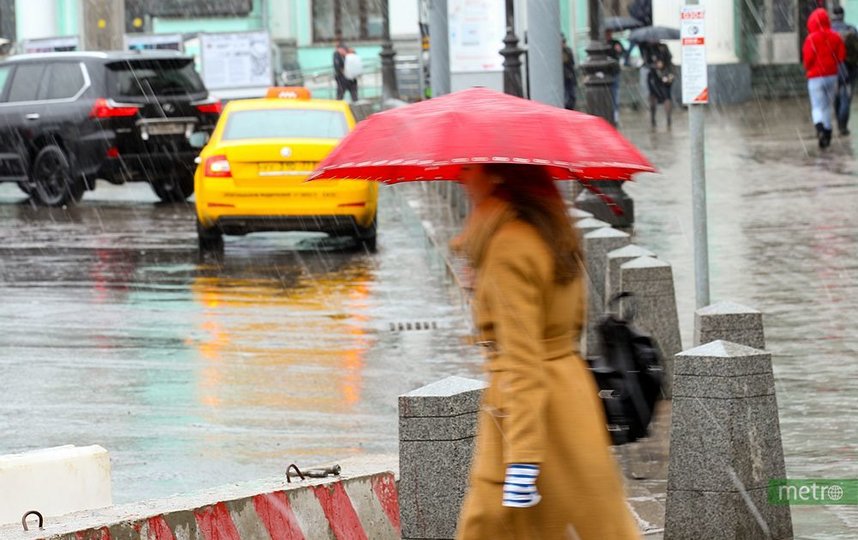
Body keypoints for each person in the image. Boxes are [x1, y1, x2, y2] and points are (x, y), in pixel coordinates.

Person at [452, 162, 639, 539]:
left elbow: (522, 360)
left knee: (491, 526)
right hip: (571, 403)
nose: (461, 176)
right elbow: (565, 320)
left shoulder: (507, 245)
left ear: (497, 175)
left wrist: (522, 460)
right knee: (600, 525)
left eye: (469, 168)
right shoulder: (551, 233)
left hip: (525, 413)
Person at [803, 8, 845, 148]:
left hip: (815, 77)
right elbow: (841, 57)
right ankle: (827, 132)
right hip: (832, 75)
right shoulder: (835, 37)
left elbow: (807, 59)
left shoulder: (811, 38)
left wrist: (810, 68)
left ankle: (820, 128)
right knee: (827, 105)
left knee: (817, 106)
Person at [831, 6, 858, 135]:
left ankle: (839, 120)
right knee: (846, 97)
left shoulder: (829, 30)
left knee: (836, 96)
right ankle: (843, 125)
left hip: (833, 68)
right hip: (851, 67)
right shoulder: (851, 29)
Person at [646, 44, 674, 128]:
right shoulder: (648, 48)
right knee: (653, 97)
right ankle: (653, 118)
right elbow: (647, 62)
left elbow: (669, 59)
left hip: (664, 75)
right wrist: (654, 65)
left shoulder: (664, 47)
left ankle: (668, 118)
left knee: (666, 97)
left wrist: (663, 64)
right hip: (654, 77)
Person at [606, 30, 625, 123]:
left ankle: (615, 114)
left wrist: (619, 50)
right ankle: (609, 113)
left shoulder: (615, 43)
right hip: (605, 73)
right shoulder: (602, 44)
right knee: (607, 94)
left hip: (614, 72)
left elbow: (623, 53)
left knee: (615, 93)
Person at [333, 33, 358, 101]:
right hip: (345, 78)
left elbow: (337, 66)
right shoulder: (338, 54)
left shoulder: (348, 53)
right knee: (342, 95)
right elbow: (337, 66)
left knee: (351, 95)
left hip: (347, 78)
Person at [562, 35, 577, 110]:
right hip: (564, 79)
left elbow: (571, 63)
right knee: (566, 99)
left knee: (572, 97)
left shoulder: (568, 51)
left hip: (570, 78)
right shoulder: (557, 53)